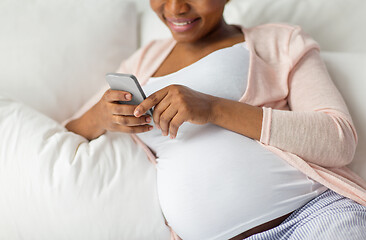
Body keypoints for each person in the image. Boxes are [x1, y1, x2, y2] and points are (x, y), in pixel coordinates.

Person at [65, 0, 366, 239]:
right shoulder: (140, 64)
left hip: (311, 217)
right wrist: (101, 116)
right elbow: (69, 133)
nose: (175, 8)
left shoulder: (280, 41)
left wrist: (213, 108)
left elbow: (338, 139)